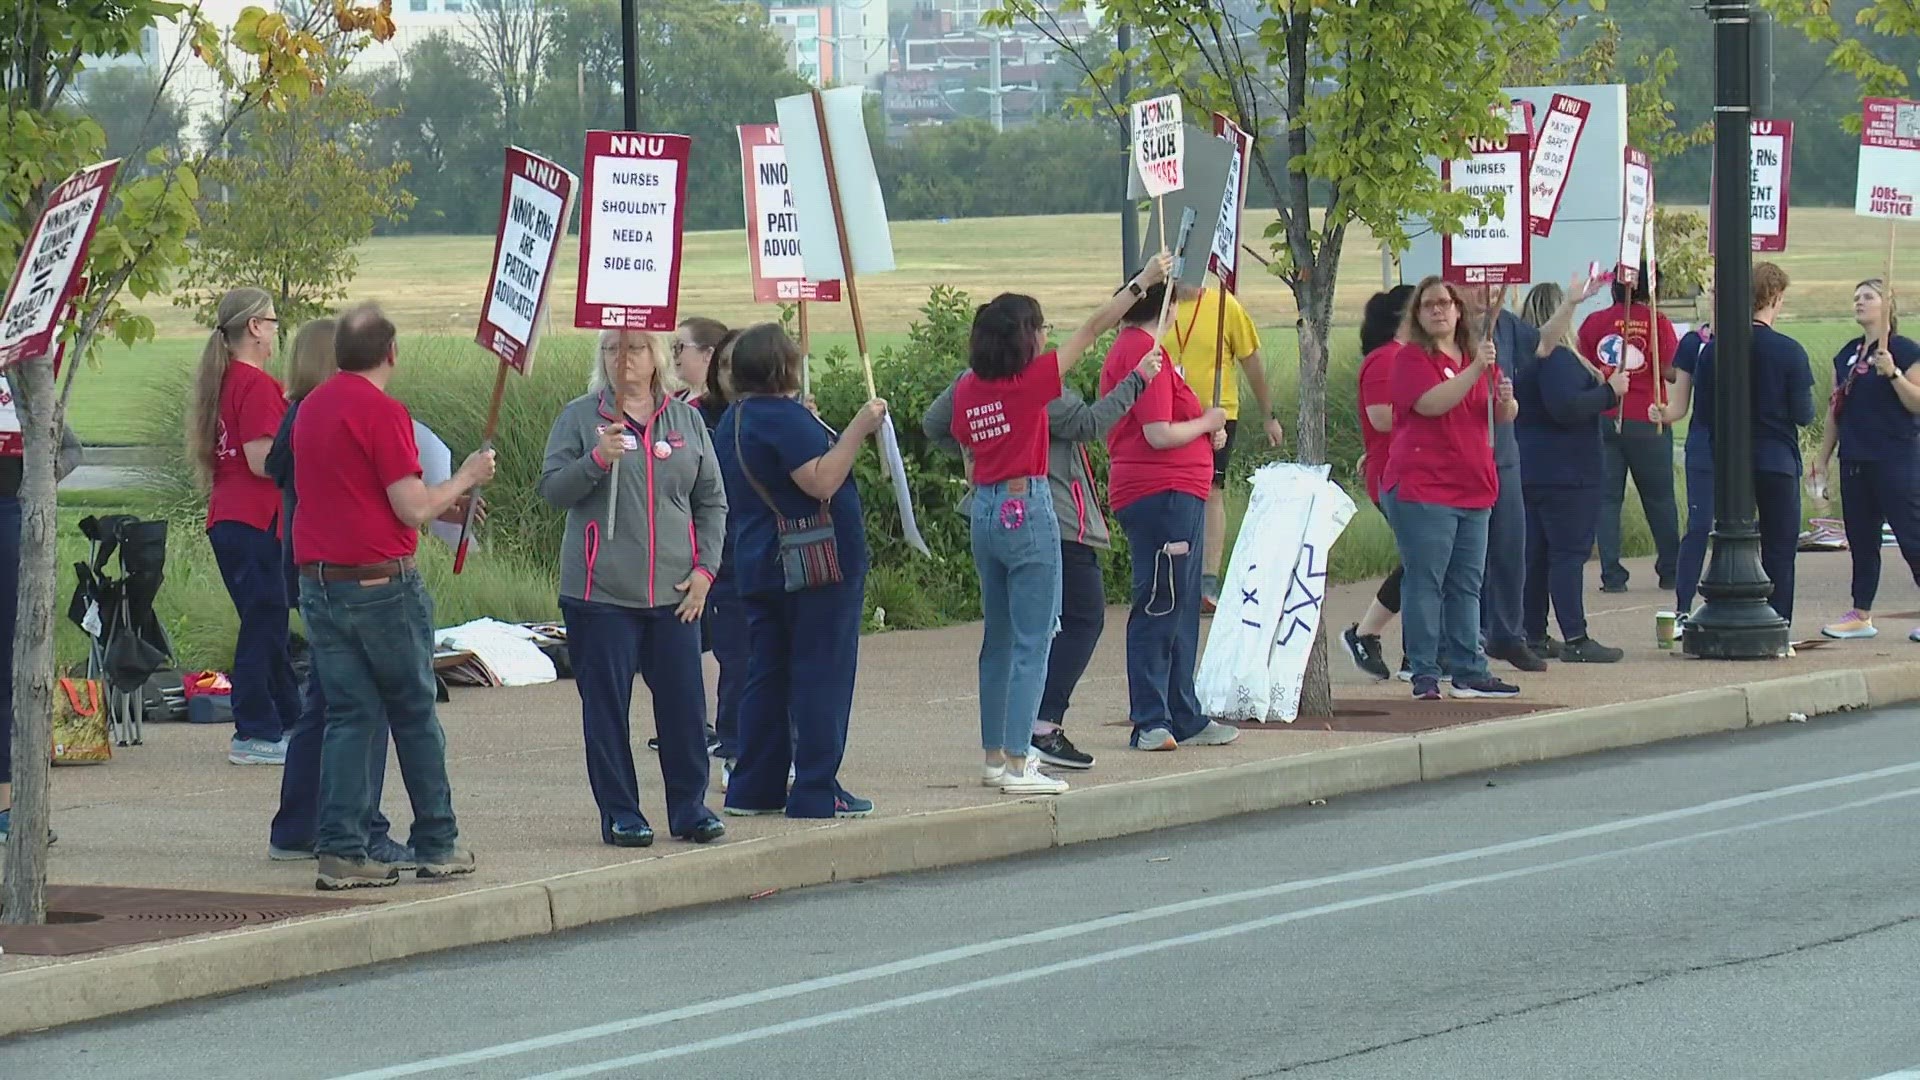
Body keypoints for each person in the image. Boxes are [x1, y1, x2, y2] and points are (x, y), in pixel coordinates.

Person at [292, 302, 494, 890]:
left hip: (321, 582)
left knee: (349, 717)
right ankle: (437, 840)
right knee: (413, 712)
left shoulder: (310, 410)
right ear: (392, 353)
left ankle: (343, 848)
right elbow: (413, 506)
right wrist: (466, 477)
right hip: (382, 582)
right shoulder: (383, 413)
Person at [923, 298, 1155, 772]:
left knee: (1000, 639)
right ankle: (1019, 759)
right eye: (1040, 328)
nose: (1047, 336)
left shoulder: (967, 387)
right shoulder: (1031, 386)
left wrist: (970, 457)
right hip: (1026, 506)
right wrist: (1143, 286)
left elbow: (946, 428)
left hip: (985, 508)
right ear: (1024, 338)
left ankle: (993, 757)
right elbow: (1091, 331)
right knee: (1035, 639)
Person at [539, 329, 727, 847]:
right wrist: (595, 460)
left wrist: (705, 571)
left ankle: (690, 809)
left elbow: (712, 501)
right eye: (612, 349)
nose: (623, 359)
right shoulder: (580, 418)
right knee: (606, 710)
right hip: (601, 594)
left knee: (685, 708)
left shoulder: (686, 420)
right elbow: (553, 490)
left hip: (676, 593)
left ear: (657, 357)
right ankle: (621, 813)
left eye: (636, 348)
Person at [713, 324, 883, 819]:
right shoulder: (782, 417)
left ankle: (755, 785)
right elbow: (821, 480)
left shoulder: (735, 418)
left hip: (758, 560)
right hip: (815, 564)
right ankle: (815, 785)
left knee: (768, 672)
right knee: (820, 671)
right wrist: (858, 426)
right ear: (782, 366)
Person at [263, 318, 413, 867]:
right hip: (348, 575)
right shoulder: (335, 414)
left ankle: (299, 823)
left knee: (326, 706)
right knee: (361, 708)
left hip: (308, 569)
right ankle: (359, 826)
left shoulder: (299, 418)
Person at [1102, 268, 1244, 750]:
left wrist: (1207, 428)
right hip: (1160, 489)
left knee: (1179, 603)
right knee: (1161, 599)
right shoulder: (1144, 353)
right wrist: (1208, 419)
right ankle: (1151, 716)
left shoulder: (1147, 353)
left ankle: (1181, 709)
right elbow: (1158, 433)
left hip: (1177, 490)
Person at [1657, 263, 1813, 630]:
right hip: (1776, 458)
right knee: (1779, 546)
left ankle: (1722, 607)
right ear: (1775, 298)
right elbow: (1804, 413)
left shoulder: (1713, 352)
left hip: (1728, 461)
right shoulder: (1789, 351)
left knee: (1722, 533)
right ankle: (1778, 621)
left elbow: (1705, 412)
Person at [1385, 277, 1519, 700]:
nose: (1439, 310)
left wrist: (1505, 399)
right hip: (1425, 488)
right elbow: (1431, 403)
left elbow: (1498, 414)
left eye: (1445, 302)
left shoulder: (1476, 356)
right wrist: (1477, 369)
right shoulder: (1410, 360)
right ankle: (1424, 670)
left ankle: (1469, 668)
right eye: (1429, 305)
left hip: (1473, 485)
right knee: (1426, 580)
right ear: (1418, 314)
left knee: (1467, 582)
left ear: (1459, 310)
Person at [186, 286, 300, 766]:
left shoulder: (228, 381)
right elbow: (260, 461)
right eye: (272, 322)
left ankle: (290, 718)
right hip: (253, 518)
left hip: (232, 517)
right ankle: (253, 729)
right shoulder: (254, 385)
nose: (276, 331)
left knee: (268, 619)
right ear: (255, 327)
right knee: (264, 621)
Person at [1514, 283, 1625, 663]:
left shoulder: (1520, 359)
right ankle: (1575, 636)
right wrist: (1609, 392)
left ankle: (1534, 633)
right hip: (1567, 471)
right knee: (1566, 555)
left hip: (1530, 467)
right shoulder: (1558, 358)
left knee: (1537, 556)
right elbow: (1565, 407)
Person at [1162, 282, 1284, 611]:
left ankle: (1207, 582)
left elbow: (1251, 361)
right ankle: (1171, 575)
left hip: (1217, 414)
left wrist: (1268, 414)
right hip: (1166, 415)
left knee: (1211, 490)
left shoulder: (1224, 306)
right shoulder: (1158, 306)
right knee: (1171, 491)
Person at [1809, 279, 1920, 640]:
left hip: (1896, 458)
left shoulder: (1905, 351)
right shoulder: (1847, 354)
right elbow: (1835, 409)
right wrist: (1823, 459)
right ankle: (1861, 613)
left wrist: (1894, 375)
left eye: (1868, 297)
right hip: (1855, 459)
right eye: (1856, 297)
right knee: (1861, 540)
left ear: (1888, 304)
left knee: (1912, 537)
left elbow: (1916, 403)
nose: (1859, 302)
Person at [0, 388, 81, 846]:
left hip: (11, 513)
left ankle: (9, 803)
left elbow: (70, 448)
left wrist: (40, 476)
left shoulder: (22, 380)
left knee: (10, 666)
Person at [1579, 269, 1682, 595]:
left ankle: (1612, 575)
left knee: (1607, 501)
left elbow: (1584, 367)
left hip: (1605, 415)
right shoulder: (1658, 321)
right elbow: (1671, 371)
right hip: (1648, 418)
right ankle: (1671, 570)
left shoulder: (1593, 322)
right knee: (1660, 499)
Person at [669, 316, 737, 768]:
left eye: (682, 348)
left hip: (713, 542)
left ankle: (717, 727)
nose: (674, 357)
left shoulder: (714, 411)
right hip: (677, 538)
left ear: (709, 356)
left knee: (717, 638)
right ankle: (688, 721)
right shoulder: (674, 404)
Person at [1342, 284, 1415, 681]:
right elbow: (1382, 417)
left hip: (1410, 471)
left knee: (1423, 563)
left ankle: (1384, 639)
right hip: (1393, 475)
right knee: (1422, 562)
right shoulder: (1386, 360)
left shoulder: (1407, 356)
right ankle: (1372, 634)